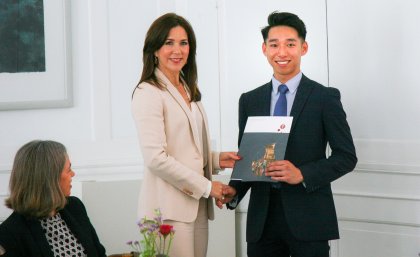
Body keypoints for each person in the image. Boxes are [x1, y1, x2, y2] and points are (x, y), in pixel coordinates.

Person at [217, 11, 357, 257]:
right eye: (274, 45)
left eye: (290, 44)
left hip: (309, 219)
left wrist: (302, 173)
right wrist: (234, 190)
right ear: (264, 49)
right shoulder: (250, 100)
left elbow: (346, 156)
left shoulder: (325, 98)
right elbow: (249, 158)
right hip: (262, 222)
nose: (282, 52)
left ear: (303, 48)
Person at [131, 13, 240, 257]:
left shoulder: (187, 87)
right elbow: (156, 158)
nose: (177, 50)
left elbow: (184, 147)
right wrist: (207, 186)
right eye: (168, 42)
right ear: (154, 49)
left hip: (197, 206)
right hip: (168, 210)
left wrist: (216, 159)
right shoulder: (147, 92)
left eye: (184, 42)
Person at [0, 140, 106, 257]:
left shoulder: (75, 207)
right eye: (69, 169)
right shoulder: (9, 233)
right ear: (50, 178)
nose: (73, 174)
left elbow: (100, 253)